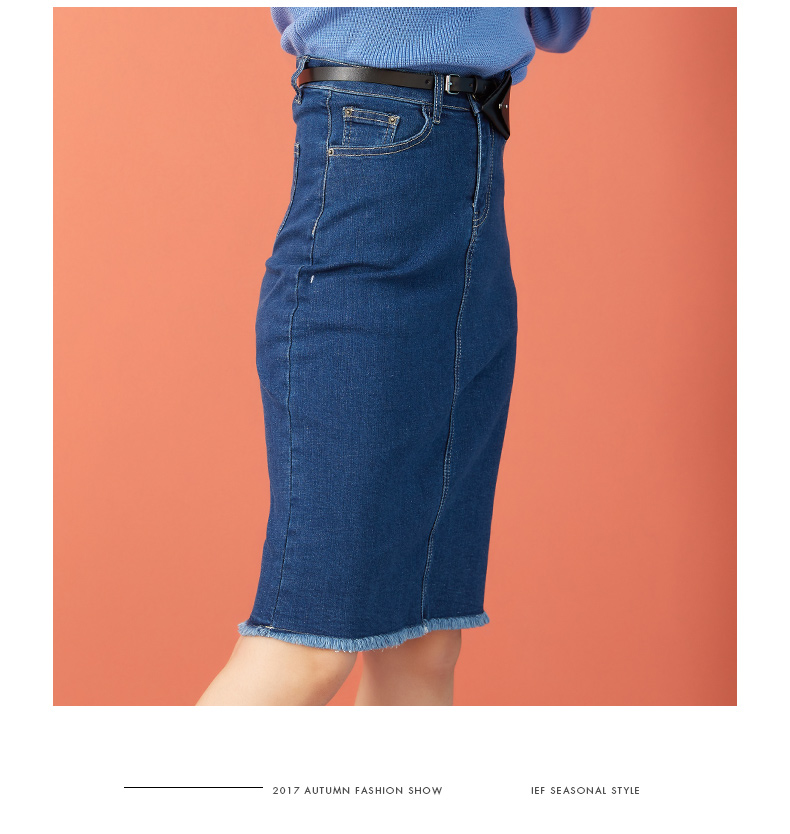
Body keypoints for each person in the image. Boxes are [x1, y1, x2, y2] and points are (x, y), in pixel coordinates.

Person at [197, 7, 593, 707]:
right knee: (308, 649)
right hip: (372, 147)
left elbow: (558, 23)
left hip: (474, 167)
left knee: (427, 642)